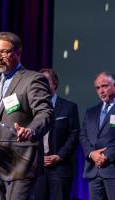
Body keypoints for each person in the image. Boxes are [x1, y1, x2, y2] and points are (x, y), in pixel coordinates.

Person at [0, 32, 53, 200]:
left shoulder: (32, 79)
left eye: (4, 52)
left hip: (21, 161)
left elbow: (45, 113)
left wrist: (30, 130)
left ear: (18, 52)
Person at [79, 72, 115, 200]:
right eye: (97, 88)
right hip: (94, 170)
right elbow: (83, 135)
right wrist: (92, 154)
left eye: (104, 86)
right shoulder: (91, 111)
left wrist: (105, 156)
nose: (101, 91)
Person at [34, 68, 80, 200]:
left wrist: (59, 156)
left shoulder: (69, 107)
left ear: (54, 84)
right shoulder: (33, 109)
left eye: (45, 81)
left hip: (60, 168)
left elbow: (74, 135)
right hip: (39, 169)